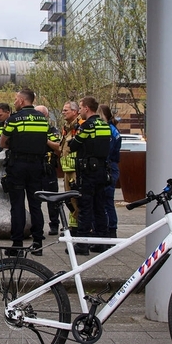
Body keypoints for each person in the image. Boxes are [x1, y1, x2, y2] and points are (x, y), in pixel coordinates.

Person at [1, 88, 59, 256]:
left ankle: (17, 245)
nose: (14, 102)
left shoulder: (14, 119)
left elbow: (3, 143)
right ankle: (38, 243)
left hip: (18, 166)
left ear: (22, 101)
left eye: (16, 99)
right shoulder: (43, 120)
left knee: (17, 205)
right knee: (36, 205)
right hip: (37, 166)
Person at [68, 96, 112, 255]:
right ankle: (102, 242)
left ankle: (82, 244)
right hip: (101, 170)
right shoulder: (105, 125)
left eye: (80, 108)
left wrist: (72, 140)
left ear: (87, 108)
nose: (79, 111)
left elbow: (74, 145)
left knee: (85, 207)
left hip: (88, 172)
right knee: (100, 207)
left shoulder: (86, 126)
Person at [35, 105, 62, 236]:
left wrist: (45, 140)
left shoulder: (52, 130)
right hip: (34, 167)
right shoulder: (32, 128)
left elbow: (58, 147)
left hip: (48, 168)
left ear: (45, 115)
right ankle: (37, 227)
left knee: (52, 198)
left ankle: (54, 224)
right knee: (35, 199)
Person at [98, 103, 122, 239]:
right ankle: (110, 229)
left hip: (108, 167)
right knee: (107, 201)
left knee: (106, 200)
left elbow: (107, 151)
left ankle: (111, 229)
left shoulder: (108, 130)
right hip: (111, 166)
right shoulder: (113, 129)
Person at [59, 101, 81, 228]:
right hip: (67, 169)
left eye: (66, 110)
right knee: (69, 200)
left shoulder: (80, 126)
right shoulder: (67, 127)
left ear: (74, 111)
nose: (63, 113)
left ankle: (80, 227)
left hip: (76, 170)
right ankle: (73, 226)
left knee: (77, 199)